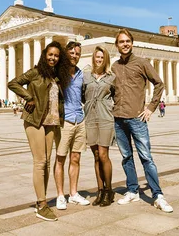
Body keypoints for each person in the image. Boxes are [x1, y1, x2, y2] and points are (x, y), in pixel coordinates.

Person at [8, 41, 72, 222]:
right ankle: (42, 204)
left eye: (56, 56)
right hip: (35, 121)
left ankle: (41, 201)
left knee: (47, 162)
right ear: (45, 55)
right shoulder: (36, 72)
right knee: (40, 161)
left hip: (51, 123)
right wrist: (29, 97)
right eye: (50, 55)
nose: (53, 58)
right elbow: (13, 83)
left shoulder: (57, 76)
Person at [111, 29, 173, 213]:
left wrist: (150, 108)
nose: (125, 44)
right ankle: (132, 190)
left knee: (146, 157)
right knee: (126, 157)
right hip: (118, 119)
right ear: (117, 45)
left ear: (132, 43)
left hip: (137, 118)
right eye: (121, 41)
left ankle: (157, 195)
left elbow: (159, 83)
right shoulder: (114, 66)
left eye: (128, 41)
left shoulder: (142, 63)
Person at [54, 41, 90, 210]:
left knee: (75, 158)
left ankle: (73, 193)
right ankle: (61, 195)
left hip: (79, 119)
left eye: (77, 53)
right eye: (72, 53)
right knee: (60, 159)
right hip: (65, 121)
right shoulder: (58, 74)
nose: (75, 56)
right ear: (66, 54)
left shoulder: (81, 74)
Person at [83, 46, 116, 207]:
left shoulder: (111, 77)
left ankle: (109, 191)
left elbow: (118, 96)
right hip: (90, 118)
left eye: (102, 57)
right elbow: (82, 95)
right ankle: (100, 190)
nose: (99, 60)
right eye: (97, 57)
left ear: (106, 59)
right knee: (96, 156)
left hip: (105, 118)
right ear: (93, 58)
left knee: (103, 154)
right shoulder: (86, 76)